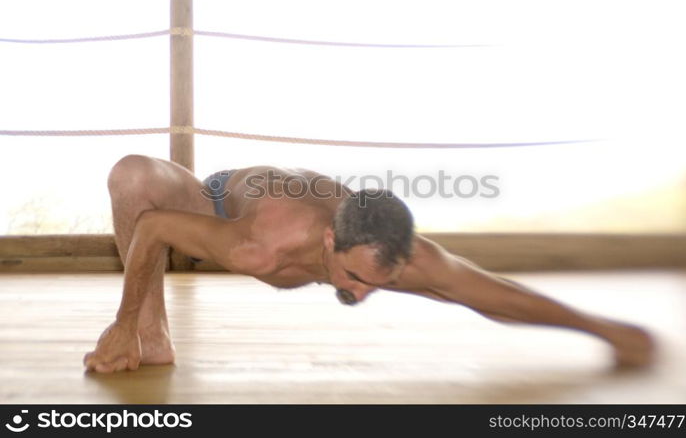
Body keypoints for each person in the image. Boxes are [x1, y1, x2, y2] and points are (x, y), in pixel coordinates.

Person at [83, 155, 655, 373]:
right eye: (354, 279)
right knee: (132, 176)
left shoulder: (395, 255)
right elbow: (155, 227)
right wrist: (125, 319)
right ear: (330, 241)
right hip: (215, 197)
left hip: (306, 213)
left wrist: (601, 329)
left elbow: (492, 293)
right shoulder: (254, 246)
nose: (358, 296)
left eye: (378, 286)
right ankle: (150, 336)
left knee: (456, 287)